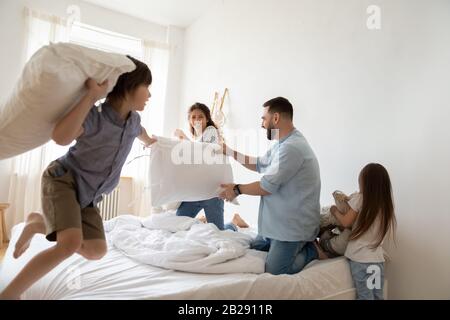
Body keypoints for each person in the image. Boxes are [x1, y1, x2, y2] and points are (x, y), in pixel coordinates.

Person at [0, 56, 157, 300]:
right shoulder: (96, 117)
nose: (149, 95)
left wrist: (150, 143)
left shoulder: (135, 122)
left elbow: (142, 133)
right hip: (63, 180)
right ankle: (10, 294)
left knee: (96, 250)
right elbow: (61, 137)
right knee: (69, 244)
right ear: (129, 86)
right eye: (147, 87)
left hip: (88, 195)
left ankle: (37, 223)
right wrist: (91, 97)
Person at [219, 97, 321, 275]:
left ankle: (311, 250)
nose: (262, 124)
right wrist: (230, 151)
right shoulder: (282, 144)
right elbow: (259, 164)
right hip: (275, 226)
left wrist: (236, 189)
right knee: (253, 250)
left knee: (274, 271)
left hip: (292, 230)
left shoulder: (292, 148)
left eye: (263, 119)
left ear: (275, 118)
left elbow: (266, 187)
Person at [174, 103, 249, 231]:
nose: (197, 120)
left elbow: (203, 153)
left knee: (218, 232)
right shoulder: (196, 138)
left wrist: (184, 137)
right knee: (177, 225)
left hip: (212, 193)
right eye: (193, 117)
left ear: (207, 119)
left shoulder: (211, 131)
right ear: (189, 120)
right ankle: (202, 220)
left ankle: (234, 223)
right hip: (195, 193)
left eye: (200, 117)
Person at [331, 163, 396, 300]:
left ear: (366, 184)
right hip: (378, 260)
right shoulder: (386, 205)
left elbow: (346, 222)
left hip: (360, 258)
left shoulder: (361, 199)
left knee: (365, 296)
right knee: (378, 295)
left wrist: (334, 210)